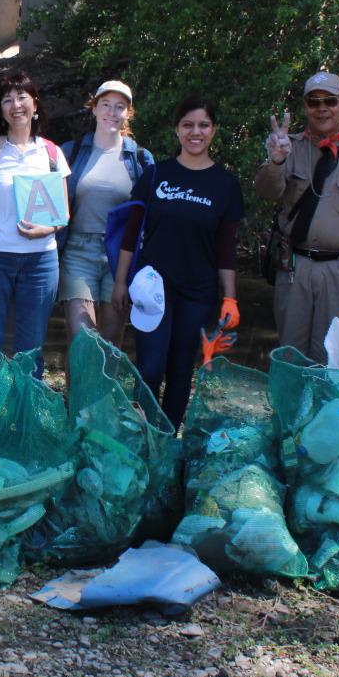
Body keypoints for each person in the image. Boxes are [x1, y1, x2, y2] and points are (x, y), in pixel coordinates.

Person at [110, 97, 243, 428]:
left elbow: (226, 249)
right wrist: (120, 281)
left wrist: (230, 297)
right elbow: (130, 234)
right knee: (151, 367)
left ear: (213, 131)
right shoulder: (156, 175)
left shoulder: (225, 184)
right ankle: (144, 435)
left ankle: (167, 441)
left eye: (203, 125)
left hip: (198, 291)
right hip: (153, 286)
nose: (195, 132)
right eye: (188, 125)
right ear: (177, 130)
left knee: (182, 368)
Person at [255, 71, 339, 363]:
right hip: (294, 268)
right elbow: (267, 192)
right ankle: (290, 410)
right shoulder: (288, 146)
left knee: (334, 357)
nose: (322, 108)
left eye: (330, 101)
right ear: (305, 107)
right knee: (290, 356)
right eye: (314, 102)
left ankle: (326, 410)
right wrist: (276, 160)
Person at [0, 71, 70, 378]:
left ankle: (25, 422)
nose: (15, 105)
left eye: (22, 97)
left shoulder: (52, 152)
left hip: (41, 262)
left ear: (35, 105)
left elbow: (62, 214)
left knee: (30, 350)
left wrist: (45, 230)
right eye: (7, 99)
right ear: (1, 110)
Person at [58, 80, 155, 345]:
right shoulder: (71, 152)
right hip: (78, 251)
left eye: (119, 107)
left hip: (120, 258)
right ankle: (76, 389)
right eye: (106, 105)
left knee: (110, 342)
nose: (112, 112)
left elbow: (147, 217)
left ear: (128, 114)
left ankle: (103, 389)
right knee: (82, 339)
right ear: (94, 109)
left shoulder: (141, 159)